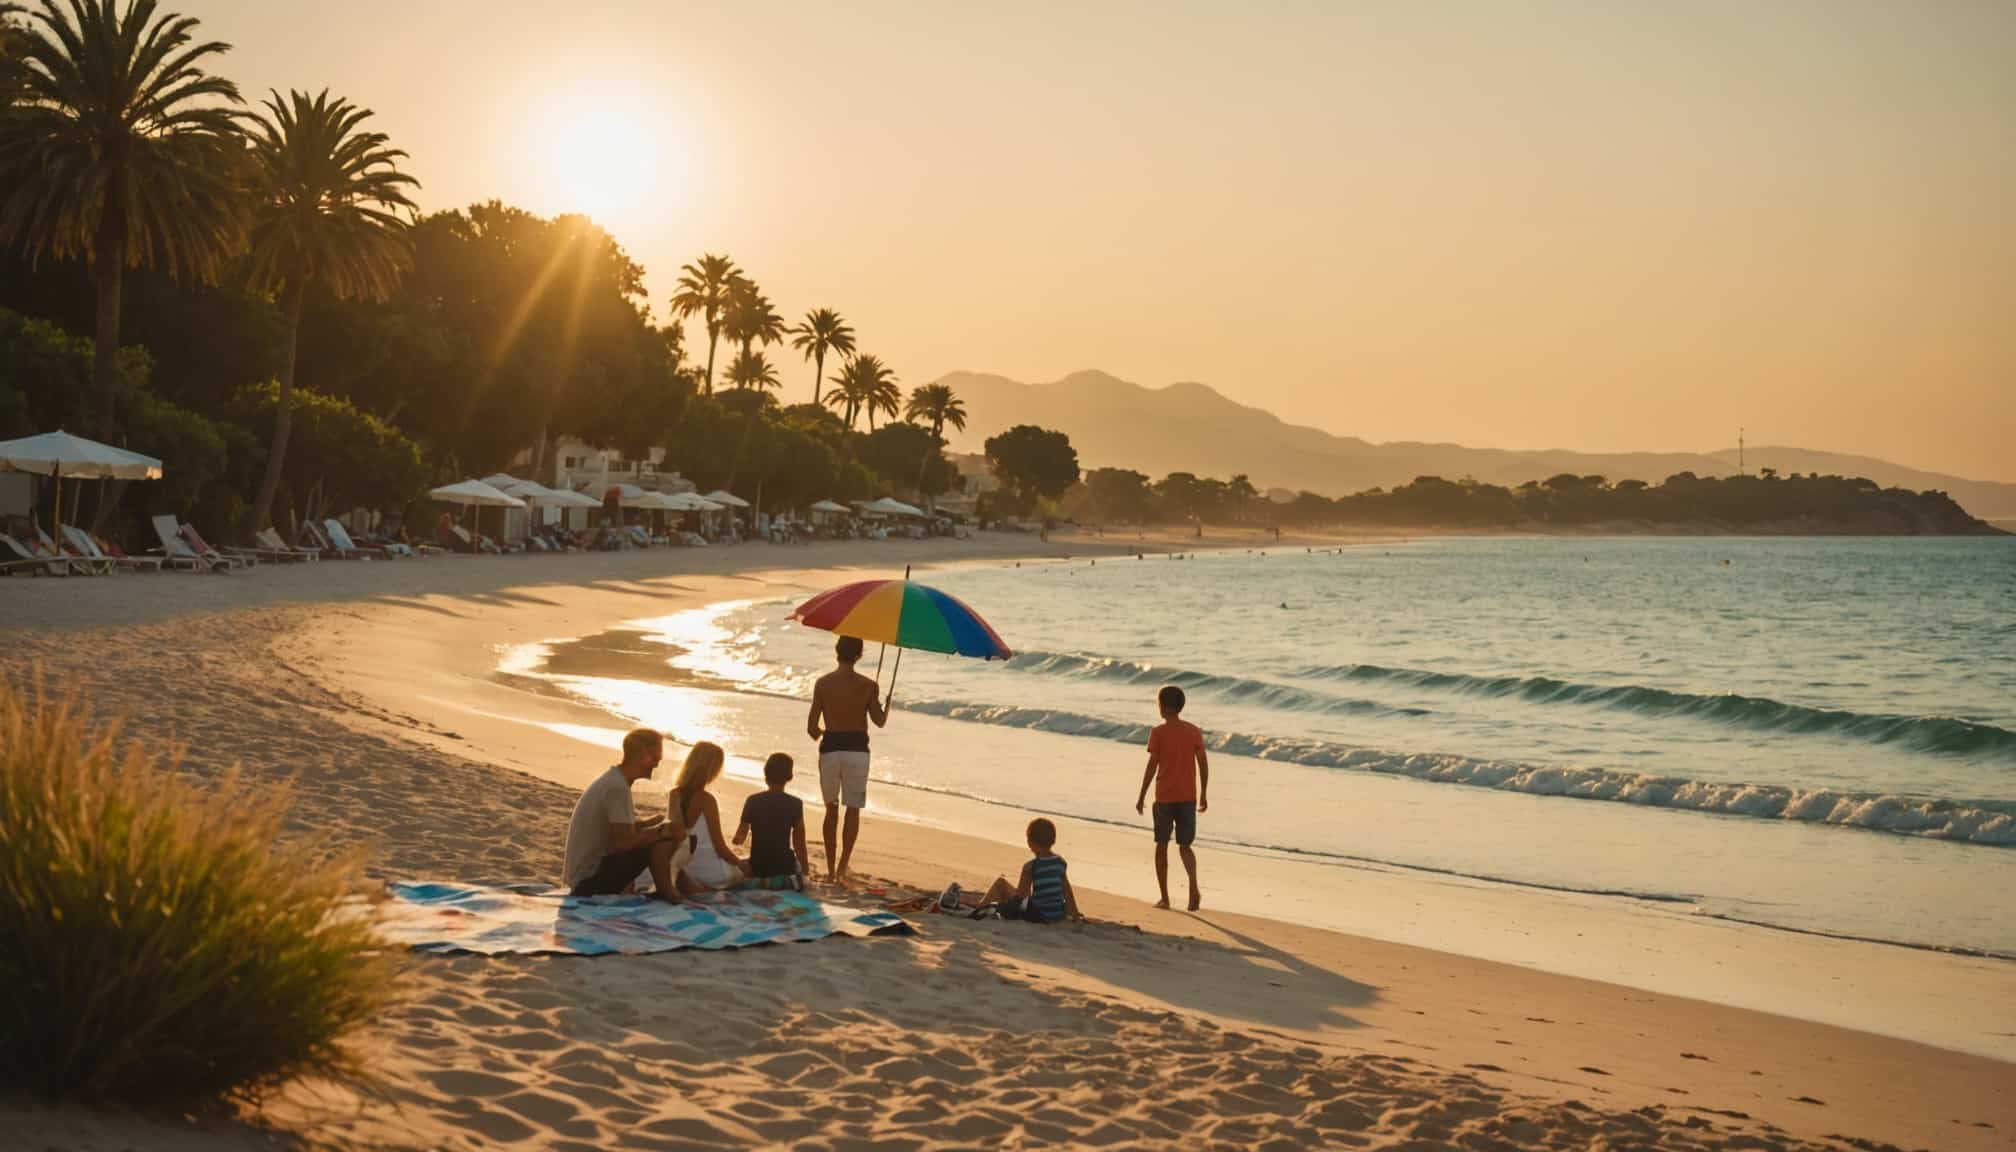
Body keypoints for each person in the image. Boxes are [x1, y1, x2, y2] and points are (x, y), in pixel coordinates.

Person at [563, 728, 687, 901]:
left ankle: (666, 888)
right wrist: (662, 831)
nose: (658, 763)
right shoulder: (617, 787)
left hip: (583, 875)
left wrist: (647, 824)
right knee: (664, 839)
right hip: (587, 881)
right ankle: (666, 892)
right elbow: (622, 843)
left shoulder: (615, 779)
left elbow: (616, 830)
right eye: (657, 756)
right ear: (645, 755)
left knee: (660, 833)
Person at [807, 635, 888, 882]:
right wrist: (886, 704)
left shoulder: (822, 683)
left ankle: (830, 870)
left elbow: (811, 728)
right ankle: (843, 867)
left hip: (830, 749)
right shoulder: (868, 685)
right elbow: (879, 721)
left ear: (836, 651)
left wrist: (827, 733)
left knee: (831, 810)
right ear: (859, 655)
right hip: (857, 751)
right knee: (852, 810)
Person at [1135, 684, 1209, 910]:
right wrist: (1204, 792)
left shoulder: (1158, 733)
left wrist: (1141, 795)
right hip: (1188, 796)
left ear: (1164, 707)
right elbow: (1203, 763)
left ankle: (1165, 898)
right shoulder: (1193, 731)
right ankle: (1193, 886)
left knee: (1162, 845)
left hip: (1165, 797)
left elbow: (1152, 765)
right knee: (1185, 846)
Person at [668, 741, 745, 892]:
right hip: (711, 872)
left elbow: (676, 837)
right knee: (742, 870)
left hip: (685, 869)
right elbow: (720, 848)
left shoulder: (674, 794)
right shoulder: (706, 800)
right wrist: (741, 866)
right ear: (711, 769)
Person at [977, 818, 1082, 923]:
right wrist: (1075, 914)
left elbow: (1021, 896)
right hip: (1058, 914)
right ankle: (983, 906)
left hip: (1038, 915)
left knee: (1001, 884)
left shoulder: (1031, 866)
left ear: (1030, 842)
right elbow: (1067, 892)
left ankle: (979, 908)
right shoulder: (1060, 863)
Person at [734, 752, 811, 889]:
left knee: (739, 865)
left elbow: (739, 838)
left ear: (766, 774)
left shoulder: (753, 800)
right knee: (797, 869)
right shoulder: (795, 803)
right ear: (789, 777)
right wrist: (805, 873)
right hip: (784, 868)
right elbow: (799, 845)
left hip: (758, 867)